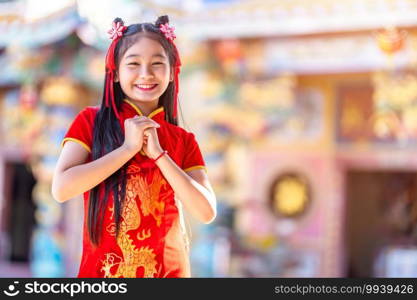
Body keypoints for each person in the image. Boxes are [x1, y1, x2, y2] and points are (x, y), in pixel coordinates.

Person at [51, 15, 216, 278]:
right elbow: (61, 188)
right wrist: (127, 149)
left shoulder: (183, 139)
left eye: (157, 64)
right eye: (134, 64)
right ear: (115, 73)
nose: (146, 74)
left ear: (172, 72)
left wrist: (160, 155)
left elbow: (206, 211)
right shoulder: (90, 122)